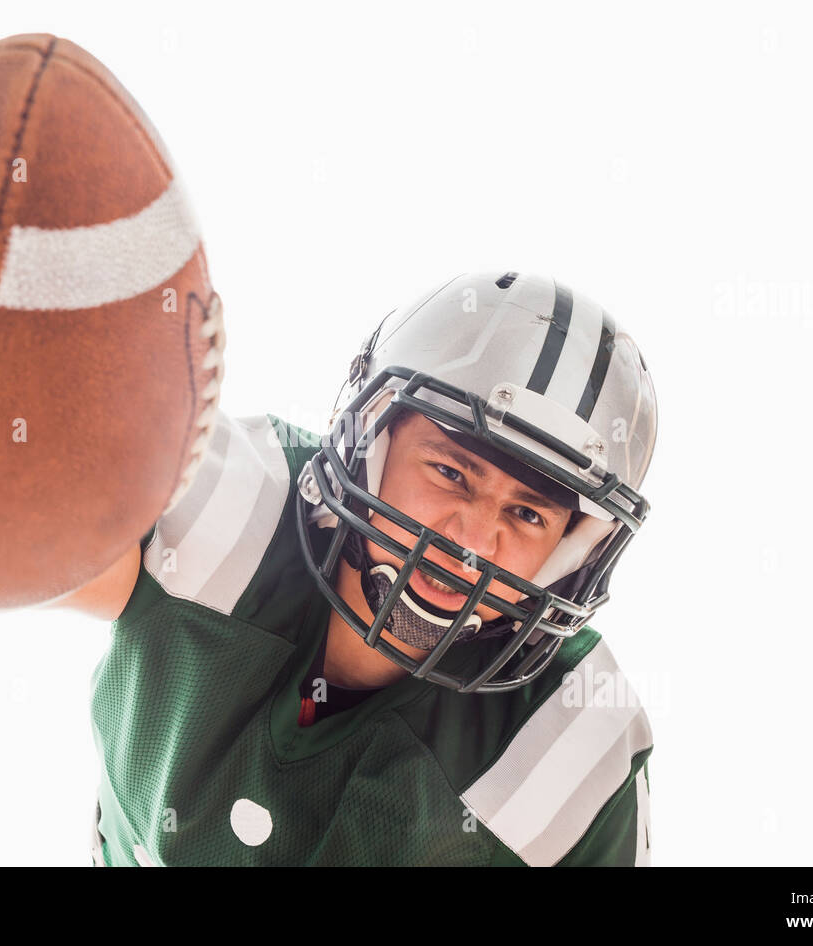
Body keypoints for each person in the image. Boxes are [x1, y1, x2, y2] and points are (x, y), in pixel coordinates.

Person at [53, 270, 659, 866]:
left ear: (570, 555)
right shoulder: (236, 515)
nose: (473, 541)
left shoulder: (569, 740)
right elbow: (17, 536)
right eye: (450, 473)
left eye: (527, 514)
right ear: (372, 439)